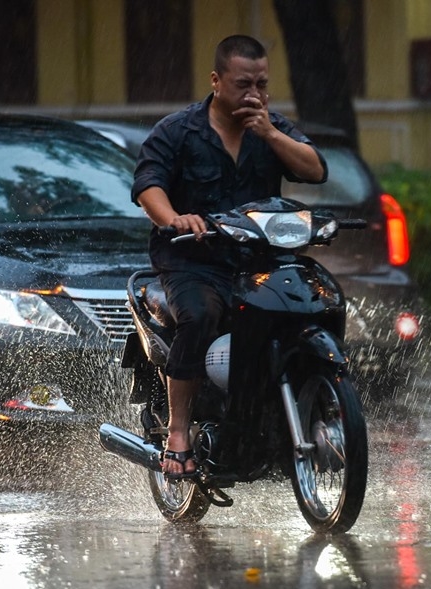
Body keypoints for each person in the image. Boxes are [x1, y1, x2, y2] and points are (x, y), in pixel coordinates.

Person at [131, 34, 327, 479]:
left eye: (261, 84)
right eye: (243, 84)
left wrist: (270, 134)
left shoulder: (271, 128)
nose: (254, 95)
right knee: (199, 317)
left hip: (257, 264)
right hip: (191, 261)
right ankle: (178, 432)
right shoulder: (178, 131)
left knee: (307, 309)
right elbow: (148, 186)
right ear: (217, 81)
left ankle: (303, 414)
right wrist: (174, 219)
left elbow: (315, 169)